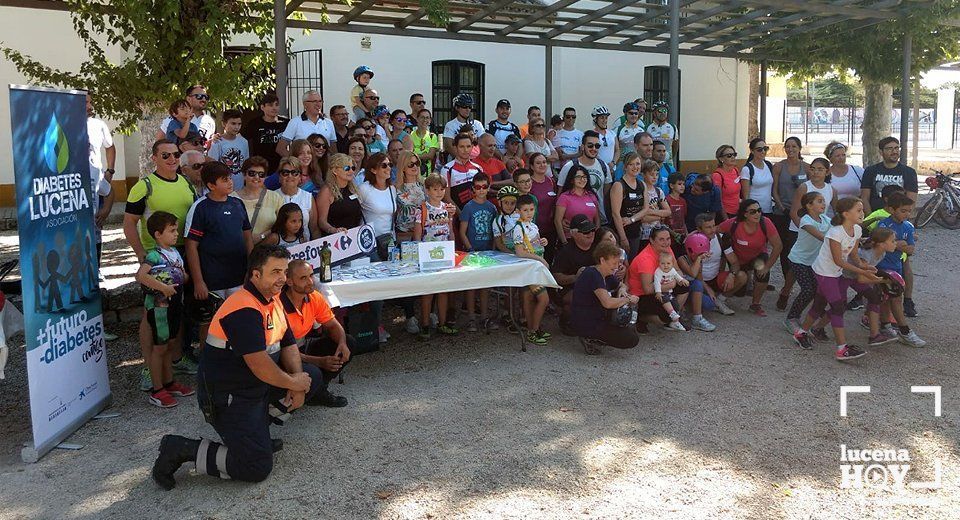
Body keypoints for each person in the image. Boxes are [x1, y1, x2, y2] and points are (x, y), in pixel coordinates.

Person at [151, 245, 323, 490]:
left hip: (253, 388)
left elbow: (288, 344)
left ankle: (257, 431)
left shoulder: (272, 300)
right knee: (256, 467)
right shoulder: (243, 307)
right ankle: (180, 448)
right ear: (255, 275)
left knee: (311, 376)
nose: (283, 279)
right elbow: (260, 365)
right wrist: (293, 383)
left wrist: (297, 380)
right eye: (275, 272)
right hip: (228, 398)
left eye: (284, 271)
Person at [124, 140, 199, 389]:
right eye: (165, 155)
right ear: (154, 157)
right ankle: (149, 368)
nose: (171, 159)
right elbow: (128, 223)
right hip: (156, 259)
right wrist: (141, 255)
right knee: (151, 316)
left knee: (176, 310)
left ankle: (176, 360)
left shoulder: (187, 183)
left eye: (175, 154)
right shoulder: (143, 186)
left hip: (181, 255)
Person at [791, 198, 882, 361]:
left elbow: (853, 255)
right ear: (846, 214)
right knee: (838, 306)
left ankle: (801, 333)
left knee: (819, 306)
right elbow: (838, 260)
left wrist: (865, 266)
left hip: (836, 272)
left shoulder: (857, 230)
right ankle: (841, 348)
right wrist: (863, 271)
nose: (863, 213)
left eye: (862, 210)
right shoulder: (835, 233)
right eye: (859, 210)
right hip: (824, 273)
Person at [184, 161, 254, 348]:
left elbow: (248, 238)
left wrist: (252, 269)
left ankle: (237, 360)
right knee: (209, 322)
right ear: (211, 185)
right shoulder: (200, 207)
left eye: (230, 177)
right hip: (212, 279)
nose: (230, 182)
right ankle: (207, 363)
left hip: (238, 276)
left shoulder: (238, 204)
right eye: (224, 179)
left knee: (239, 319)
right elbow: (191, 246)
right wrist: (198, 281)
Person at [135, 211, 193, 408]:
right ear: (158, 234)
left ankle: (169, 382)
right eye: (172, 231)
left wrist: (183, 277)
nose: (176, 234)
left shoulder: (175, 253)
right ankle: (157, 389)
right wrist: (163, 288)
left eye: (176, 230)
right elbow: (141, 276)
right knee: (159, 348)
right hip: (159, 307)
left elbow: (182, 274)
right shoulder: (153, 255)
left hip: (176, 305)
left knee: (169, 344)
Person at [281, 259, 352, 406]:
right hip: (282, 355)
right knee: (314, 371)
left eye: (311, 275)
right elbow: (282, 351)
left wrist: (342, 343)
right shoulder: (278, 305)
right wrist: (319, 361)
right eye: (303, 278)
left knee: (349, 342)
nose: (310, 281)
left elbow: (332, 325)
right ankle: (308, 393)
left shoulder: (313, 296)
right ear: (289, 281)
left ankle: (318, 391)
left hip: (302, 345)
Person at [627, 226, 704, 333]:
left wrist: (676, 279)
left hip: (661, 286)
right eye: (661, 239)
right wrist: (671, 284)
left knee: (684, 285)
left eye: (668, 239)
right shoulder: (645, 259)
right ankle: (642, 317)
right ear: (652, 240)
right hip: (640, 296)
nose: (666, 242)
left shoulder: (666, 250)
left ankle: (673, 315)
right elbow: (647, 289)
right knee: (665, 315)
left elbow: (677, 270)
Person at [571, 241, 640, 353]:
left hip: (599, 317)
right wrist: (627, 299)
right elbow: (607, 303)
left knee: (630, 329)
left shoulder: (605, 274)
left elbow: (622, 285)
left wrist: (622, 290)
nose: (617, 266)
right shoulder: (593, 274)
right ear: (602, 260)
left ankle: (596, 337)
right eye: (614, 263)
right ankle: (590, 338)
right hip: (588, 321)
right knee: (631, 339)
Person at [719, 198, 783, 316]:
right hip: (738, 260)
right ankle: (723, 297)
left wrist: (767, 267)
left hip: (757, 256)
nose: (757, 214)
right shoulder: (734, 223)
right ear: (744, 214)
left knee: (763, 272)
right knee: (740, 291)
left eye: (759, 210)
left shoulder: (766, 222)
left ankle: (755, 304)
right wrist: (724, 250)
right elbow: (715, 230)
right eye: (753, 211)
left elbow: (778, 246)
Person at [414, 174, 459, 339]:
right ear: (427, 190)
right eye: (435, 189)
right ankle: (425, 325)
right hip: (427, 255)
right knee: (427, 291)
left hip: (444, 253)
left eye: (442, 189)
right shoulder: (422, 209)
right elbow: (417, 234)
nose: (439, 192)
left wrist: (453, 248)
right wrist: (418, 252)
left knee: (443, 290)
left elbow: (450, 230)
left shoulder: (447, 208)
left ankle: (442, 323)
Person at [85, 93, 117, 305]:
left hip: (95, 181)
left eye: (90, 101)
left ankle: (95, 273)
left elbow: (110, 146)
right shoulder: (62, 123)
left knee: (95, 236)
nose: (89, 105)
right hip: (73, 187)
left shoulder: (97, 124)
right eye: (84, 101)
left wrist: (110, 171)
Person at [784, 192, 831, 333]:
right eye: (819, 201)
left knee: (817, 291)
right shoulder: (805, 221)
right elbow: (822, 237)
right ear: (809, 205)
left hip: (814, 262)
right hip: (799, 260)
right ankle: (791, 318)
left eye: (823, 201)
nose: (823, 203)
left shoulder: (825, 219)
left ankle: (813, 314)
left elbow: (837, 228)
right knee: (808, 290)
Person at [771, 136, 808, 311]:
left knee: (795, 248)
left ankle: (791, 284)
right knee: (784, 248)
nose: (790, 149)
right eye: (788, 146)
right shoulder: (779, 166)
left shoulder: (807, 167)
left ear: (800, 148)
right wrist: (780, 206)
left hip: (800, 214)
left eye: (794, 146)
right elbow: (775, 189)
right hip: (782, 212)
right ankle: (787, 284)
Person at [459, 173, 498, 332]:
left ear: (488, 187)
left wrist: (494, 248)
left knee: (485, 287)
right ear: (473, 189)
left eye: (484, 187)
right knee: (471, 286)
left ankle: (484, 316)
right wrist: (470, 249)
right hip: (472, 252)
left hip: (488, 251)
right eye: (477, 187)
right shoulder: (468, 207)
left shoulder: (492, 207)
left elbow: (496, 231)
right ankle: (471, 318)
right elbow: (462, 231)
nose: (481, 190)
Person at [875, 192, 920, 325]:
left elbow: (911, 249)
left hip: (897, 266)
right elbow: (878, 245)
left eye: (909, 211)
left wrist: (895, 245)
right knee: (882, 296)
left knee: (895, 296)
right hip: (881, 266)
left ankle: (888, 321)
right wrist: (899, 244)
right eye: (903, 211)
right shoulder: (883, 225)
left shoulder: (907, 227)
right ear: (891, 209)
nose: (907, 214)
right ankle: (885, 322)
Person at [684, 213, 743, 315]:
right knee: (709, 305)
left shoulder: (721, 238)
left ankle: (720, 299)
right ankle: (698, 302)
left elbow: (734, 262)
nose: (713, 230)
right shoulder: (691, 242)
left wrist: (731, 275)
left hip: (715, 278)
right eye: (708, 227)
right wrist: (707, 289)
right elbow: (695, 272)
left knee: (742, 276)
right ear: (699, 229)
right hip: (698, 281)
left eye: (713, 226)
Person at [512, 194, 551, 346]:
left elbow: (537, 245)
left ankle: (532, 328)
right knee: (544, 299)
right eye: (525, 210)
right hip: (529, 268)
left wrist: (543, 242)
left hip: (535, 267)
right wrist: (541, 259)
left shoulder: (534, 226)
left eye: (531, 209)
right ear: (518, 211)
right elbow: (520, 252)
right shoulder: (518, 228)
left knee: (528, 297)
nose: (529, 213)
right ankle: (533, 330)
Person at [551, 214, 598, 333]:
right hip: (569, 288)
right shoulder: (566, 252)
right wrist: (576, 277)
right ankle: (566, 320)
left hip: (595, 285)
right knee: (578, 297)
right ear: (574, 234)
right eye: (585, 231)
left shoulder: (598, 247)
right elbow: (555, 276)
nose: (590, 233)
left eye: (592, 229)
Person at [557, 131, 612, 224]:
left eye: (597, 146)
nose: (594, 149)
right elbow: (560, 195)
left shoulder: (604, 166)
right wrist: (561, 219)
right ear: (582, 147)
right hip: (574, 222)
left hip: (600, 219)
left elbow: (606, 195)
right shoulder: (569, 167)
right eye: (590, 145)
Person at [233, 157, 284, 244]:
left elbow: (282, 224)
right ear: (244, 175)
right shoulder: (231, 199)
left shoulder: (275, 197)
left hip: (268, 250)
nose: (257, 177)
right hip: (239, 250)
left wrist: (262, 236)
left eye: (261, 174)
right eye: (252, 173)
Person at [861, 137, 918, 214]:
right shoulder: (870, 171)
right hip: (876, 216)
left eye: (896, 148)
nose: (894, 151)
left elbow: (911, 200)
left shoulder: (909, 172)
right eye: (889, 149)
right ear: (881, 152)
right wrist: (870, 218)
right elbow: (864, 198)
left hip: (899, 219)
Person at [357, 153, 398, 255]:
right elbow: (354, 212)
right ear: (373, 170)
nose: (388, 168)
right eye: (384, 165)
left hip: (389, 241)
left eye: (390, 165)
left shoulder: (392, 189)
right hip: (369, 243)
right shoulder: (364, 188)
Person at [314, 154, 363, 237]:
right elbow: (321, 221)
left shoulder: (353, 188)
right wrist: (334, 230)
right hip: (336, 240)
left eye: (353, 168)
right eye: (347, 168)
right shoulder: (326, 191)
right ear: (335, 171)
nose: (351, 171)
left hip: (355, 238)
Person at [609, 152, 647, 259]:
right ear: (625, 167)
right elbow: (615, 214)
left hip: (635, 232)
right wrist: (623, 238)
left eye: (638, 164)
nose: (635, 167)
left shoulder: (642, 184)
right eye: (631, 164)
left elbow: (646, 209)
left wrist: (631, 219)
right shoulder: (619, 185)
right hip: (621, 232)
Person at [277, 90, 336, 157]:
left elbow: (333, 149)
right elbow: (280, 148)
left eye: (320, 101)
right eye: (314, 101)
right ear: (305, 104)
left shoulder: (329, 123)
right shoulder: (295, 122)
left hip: (323, 165)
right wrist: (295, 162)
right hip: (303, 166)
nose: (318, 104)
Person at [242, 93, 289, 172]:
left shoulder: (286, 123)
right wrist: (219, 137)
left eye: (276, 105)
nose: (274, 108)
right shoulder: (254, 123)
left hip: (281, 168)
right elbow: (240, 139)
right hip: (260, 168)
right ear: (262, 107)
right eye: (270, 105)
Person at [555, 165, 601, 244]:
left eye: (584, 177)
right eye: (578, 177)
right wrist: (564, 242)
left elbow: (597, 220)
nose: (582, 179)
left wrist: (595, 238)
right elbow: (557, 221)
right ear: (572, 179)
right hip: (571, 239)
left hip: (590, 239)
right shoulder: (564, 197)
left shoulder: (591, 195)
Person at [440, 133, 484, 210]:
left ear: (472, 147)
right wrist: (462, 215)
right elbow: (446, 198)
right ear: (456, 148)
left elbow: (483, 194)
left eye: (468, 146)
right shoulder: (446, 169)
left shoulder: (478, 168)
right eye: (461, 147)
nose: (465, 150)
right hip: (457, 216)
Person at [208, 109, 249, 189]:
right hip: (222, 186)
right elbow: (212, 165)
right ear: (224, 123)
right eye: (233, 123)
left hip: (239, 186)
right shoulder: (217, 142)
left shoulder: (244, 142)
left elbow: (246, 164)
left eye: (239, 124)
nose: (236, 127)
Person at [274, 157, 313, 240]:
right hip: (278, 249)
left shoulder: (308, 197)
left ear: (300, 177)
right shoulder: (271, 196)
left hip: (304, 248)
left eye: (294, 172)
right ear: (279, 177)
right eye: (285, 173)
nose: (290, 176)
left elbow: (315, 229)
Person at [637, 159, 672, 252]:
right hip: (644, 234)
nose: (654, 177)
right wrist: (660, 216)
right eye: (651, 174)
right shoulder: (640, 191)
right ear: (643, 174)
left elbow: (668, 211)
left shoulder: (658, 191)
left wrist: (651, 212)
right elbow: (642, 218)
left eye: (656, 174)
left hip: (657, 233)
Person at [395, 151, 427, 243]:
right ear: (403, 167)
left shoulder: (424, 184)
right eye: (410, 164)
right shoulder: (395, 188)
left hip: (423, 232)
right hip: (403, 234)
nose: (415, 167)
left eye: (417, 163)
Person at [653, 252, 689, 331]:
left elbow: (677, 276)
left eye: (668, 263)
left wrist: (682, 280)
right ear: (659, 263)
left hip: (669, 292)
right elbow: (656, 282)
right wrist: (658, 292)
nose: (666, 265)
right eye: (663, 263)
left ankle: (675, 316)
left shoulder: (672, 270)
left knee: (675, 303)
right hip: (662, 292)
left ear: (672, 264)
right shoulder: (658, 272)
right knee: (665, 300)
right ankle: (672, 314)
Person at [615, 102, 644, 178]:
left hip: (637, 164)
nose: (634, 115)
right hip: (622, 164)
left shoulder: (642, 130)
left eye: (636, 113)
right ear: (625, 114)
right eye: (631, 113)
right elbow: (615, 149)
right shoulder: (619, 129)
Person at [712, 144, 742, 217]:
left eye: (734, 154)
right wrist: (725, 218)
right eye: (729, 155)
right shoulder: (717, 175)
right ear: (721, 159)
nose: (733, 157)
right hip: (726, 213)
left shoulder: (736, 170)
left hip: (737, 212)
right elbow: (718, 199)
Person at [646, 101, 677, 166]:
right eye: (660, 110)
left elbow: (675, 145)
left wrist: (669, 156)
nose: (663, 113)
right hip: (652, 162)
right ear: (654, 113)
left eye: (665, 111)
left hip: (668, 163)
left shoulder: (673, 127)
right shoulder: (647, 127)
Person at [411, 109, 440, 176]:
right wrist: (424, 156)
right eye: (422, 117)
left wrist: (415, 155)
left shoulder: (432, 136)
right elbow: (409, 155)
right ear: (417, 119)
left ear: (430, 120)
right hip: (412, 174)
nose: (425, 120)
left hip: (427, 175)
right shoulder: (410, 136)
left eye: (427, 118)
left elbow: (430, 155)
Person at [591, 105, 619, 174]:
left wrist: (613, 163)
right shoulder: (591, 134)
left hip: (612, 169)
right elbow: (592, 152)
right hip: (598, 168)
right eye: (602, 118)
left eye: (606, 118)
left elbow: (617, 150)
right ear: (595, 119)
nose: (604, 120)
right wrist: (604, 165)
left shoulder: (612, 133)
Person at [493, 185, 521, 253]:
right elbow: (499, 244)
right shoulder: (497, 221)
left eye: (512, 203)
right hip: (508, 255)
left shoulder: (521, 215)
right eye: (506, 203)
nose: (509, 206)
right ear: (500, 203)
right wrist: (514, 254)